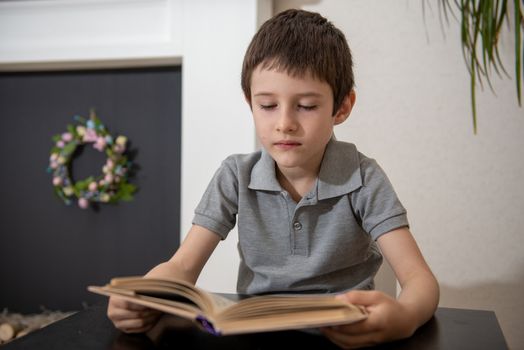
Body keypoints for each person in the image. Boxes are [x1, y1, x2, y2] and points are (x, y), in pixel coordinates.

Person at [107, 8, 439, 348]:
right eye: (267, 105)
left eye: (306, 106)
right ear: (250, 103)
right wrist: (141, 297)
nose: (284, 123)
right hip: (255, 334)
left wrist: (406, 317)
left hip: (343, 338)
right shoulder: (235, 175)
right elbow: (181, 266)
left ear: (341, 107)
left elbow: (419, 279)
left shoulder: (364, 177)